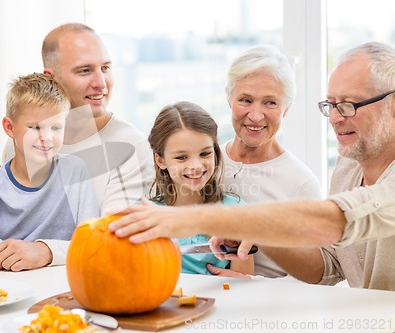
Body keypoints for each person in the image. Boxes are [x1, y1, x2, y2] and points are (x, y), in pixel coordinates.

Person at [108, 41, 395, 291]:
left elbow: (337, 220)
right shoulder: (347, 168)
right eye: (331, 105)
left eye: (350, 104)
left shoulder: (305, 181)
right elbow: (328, 267)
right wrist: (258, 233)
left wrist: (190, 220)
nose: (334, 118)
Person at [2, 22, 154, 214]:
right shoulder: (23, 141)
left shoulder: (132, 147)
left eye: (105, 68)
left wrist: (43, 246)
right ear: (52, 78)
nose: (101, 83)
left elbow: (113, 235)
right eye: (85, 70)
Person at [0, 73, 99, 271]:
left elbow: (92, 242)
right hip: (11, 281)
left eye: (56, 127)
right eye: (35, 127)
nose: (47, 138)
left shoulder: (75, 171)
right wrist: (21, 252)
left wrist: (42, 251)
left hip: (62, 279)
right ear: (10, 127)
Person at [216, 45, 322, 278]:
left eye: (270, 102)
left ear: (286, 109)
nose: (255, 115)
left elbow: (317, 277)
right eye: (245, 100)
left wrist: (249, 283)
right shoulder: (204, 164)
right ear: (229, 100)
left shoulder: (301, 184)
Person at [148, 101, 253, 276]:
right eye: (182, 157)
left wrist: (239, 281)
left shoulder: (236, 211)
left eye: (205, 154)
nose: (196, 166)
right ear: (161, 160)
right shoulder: (147, 214)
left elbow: (243, 279)